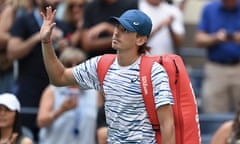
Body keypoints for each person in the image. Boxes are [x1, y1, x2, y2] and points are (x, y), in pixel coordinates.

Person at [40, 6, 175, 143]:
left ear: (140, 40)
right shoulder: (101, 64)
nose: (116, 33)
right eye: (117, 27)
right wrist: (46, 42)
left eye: (125, 30)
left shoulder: (155, 72)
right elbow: (59, 78)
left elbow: (167, 125)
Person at [7, 0, 71, 141]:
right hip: (28, 93)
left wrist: (65, 48)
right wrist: (39, 37)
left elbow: (70, 61)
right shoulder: (23, 21)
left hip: (54, 93)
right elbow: (12, 52)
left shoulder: (63, 26)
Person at [37, 47, 98, 144]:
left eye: (79, 64)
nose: (74, 68)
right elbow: (41, 122)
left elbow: (101, 124)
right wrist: (61, 110)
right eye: (69, 64)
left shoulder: (94, 92)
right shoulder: (52, 90)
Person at [195, 0, 240, 113]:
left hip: (238, 67)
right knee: (214, 113)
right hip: (216, 69)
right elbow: (199, 39)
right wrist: (216, 37)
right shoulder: (210, 9)